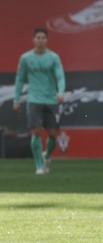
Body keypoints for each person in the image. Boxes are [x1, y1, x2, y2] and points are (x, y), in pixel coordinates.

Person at [13, 28, 66, 175]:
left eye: (43, 37)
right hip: (34, 99)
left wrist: (61, 92)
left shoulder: (54, 57)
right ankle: (39, 166)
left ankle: (47, 155)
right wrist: (16, 99)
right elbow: (20, 79)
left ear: (47, 40)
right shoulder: (25, 58)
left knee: (53, 135)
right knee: (36, 132)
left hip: (51, 99)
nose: (40, 40)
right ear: (33, 40)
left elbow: (60, 76)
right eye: (38, 37)